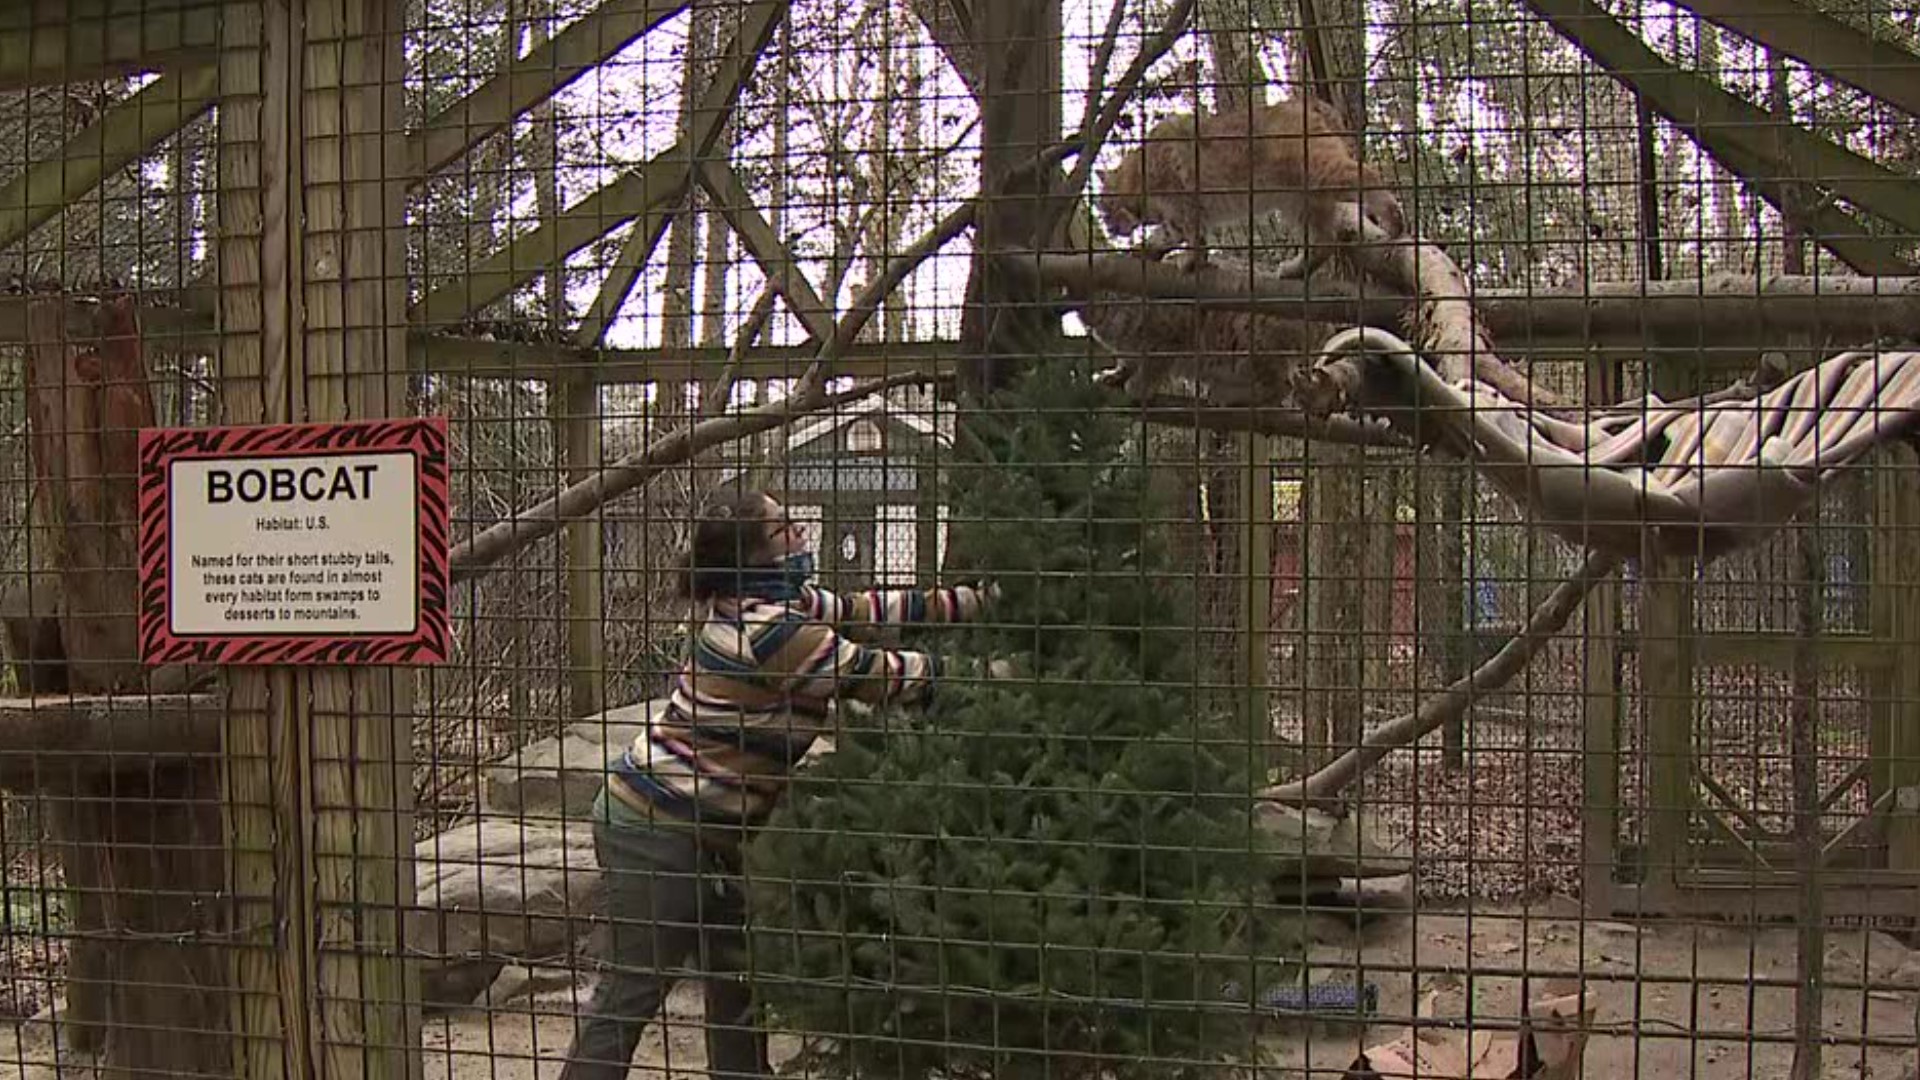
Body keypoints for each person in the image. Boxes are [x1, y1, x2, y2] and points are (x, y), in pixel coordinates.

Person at [561, 490, 1007, 1080]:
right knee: (632, 993)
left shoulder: (784, 601)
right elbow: (885, 677)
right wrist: (1003, 676)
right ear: (751, 557)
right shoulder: (767, 631)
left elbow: (866, 608)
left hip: (714, 834)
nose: (801, 534)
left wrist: (979, 601)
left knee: (738, 985)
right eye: (783, 531)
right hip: (655, 829)